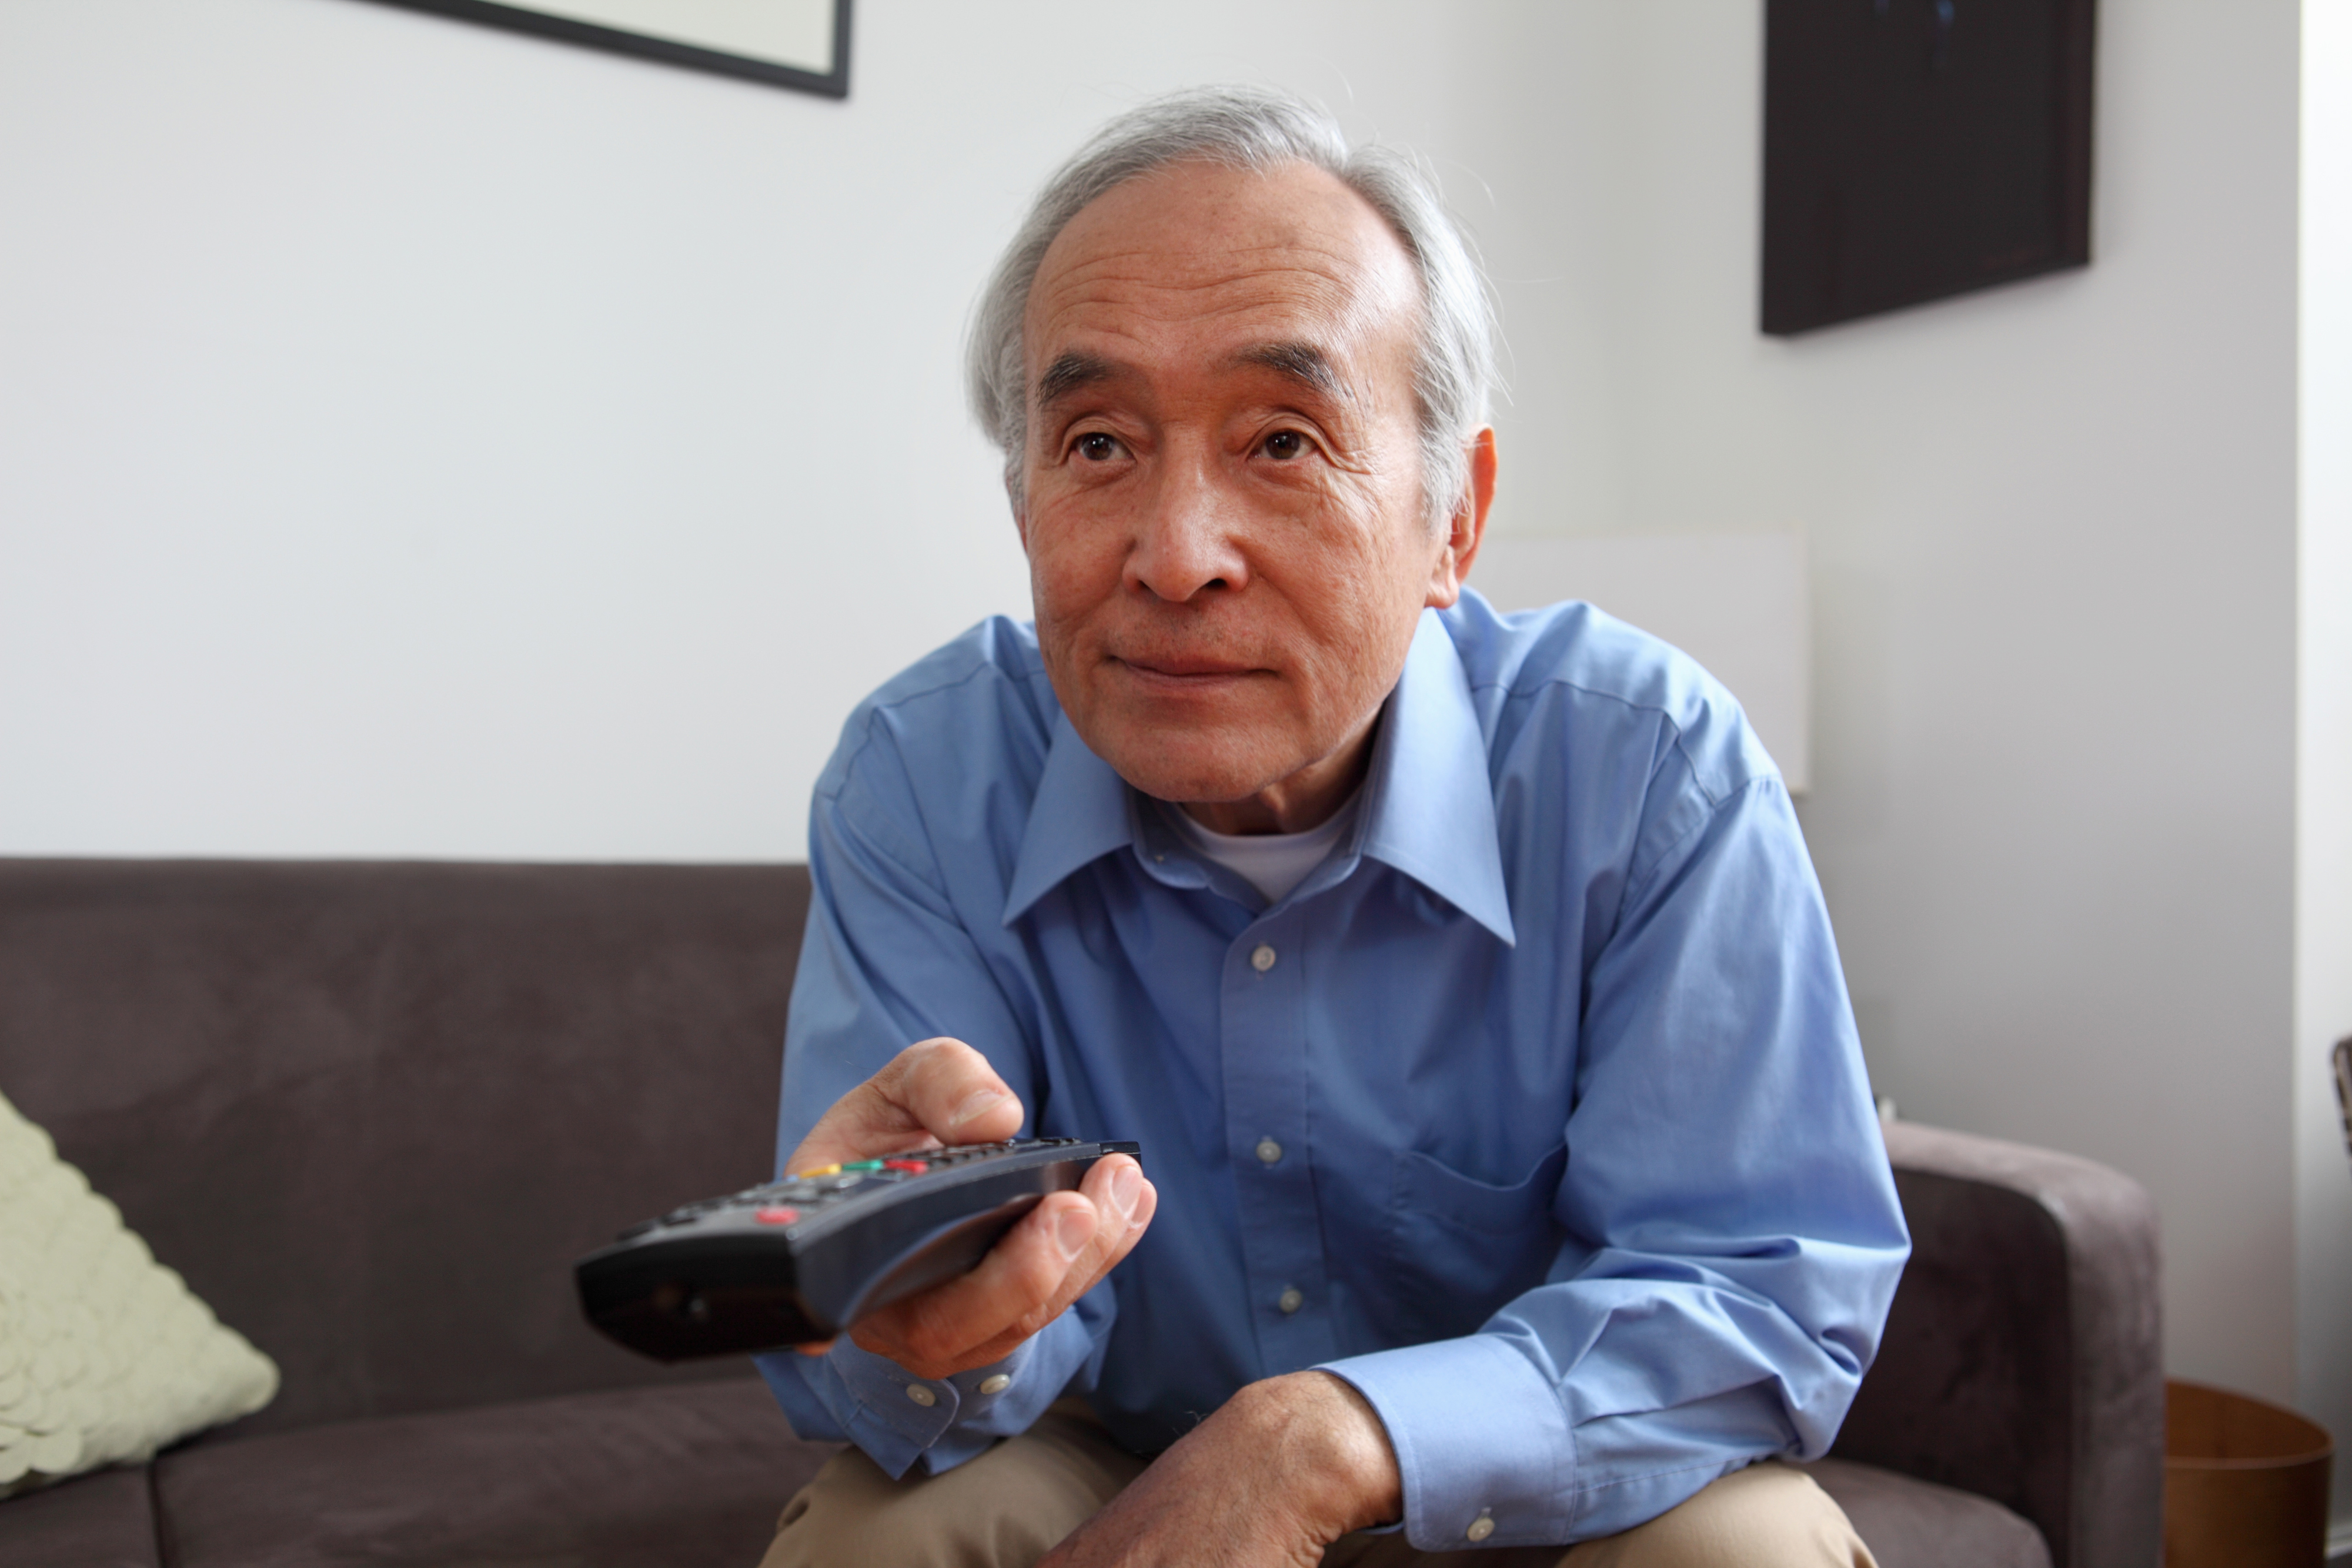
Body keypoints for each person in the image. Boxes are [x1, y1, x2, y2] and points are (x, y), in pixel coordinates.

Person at [751, 85, 1909, 1568]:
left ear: (1451, 518)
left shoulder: (1643, 764)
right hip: (1103, 1444)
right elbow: (880, 1356)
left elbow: (1757, 1285)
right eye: (1098, 443)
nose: (1174, 558)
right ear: (1025, 497)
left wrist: (1328, 1436)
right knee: (886, 1536)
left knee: (1742, 1553)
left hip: (1540, 1463)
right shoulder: (918, 778)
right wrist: (908, 1311)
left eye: (1283, 441)